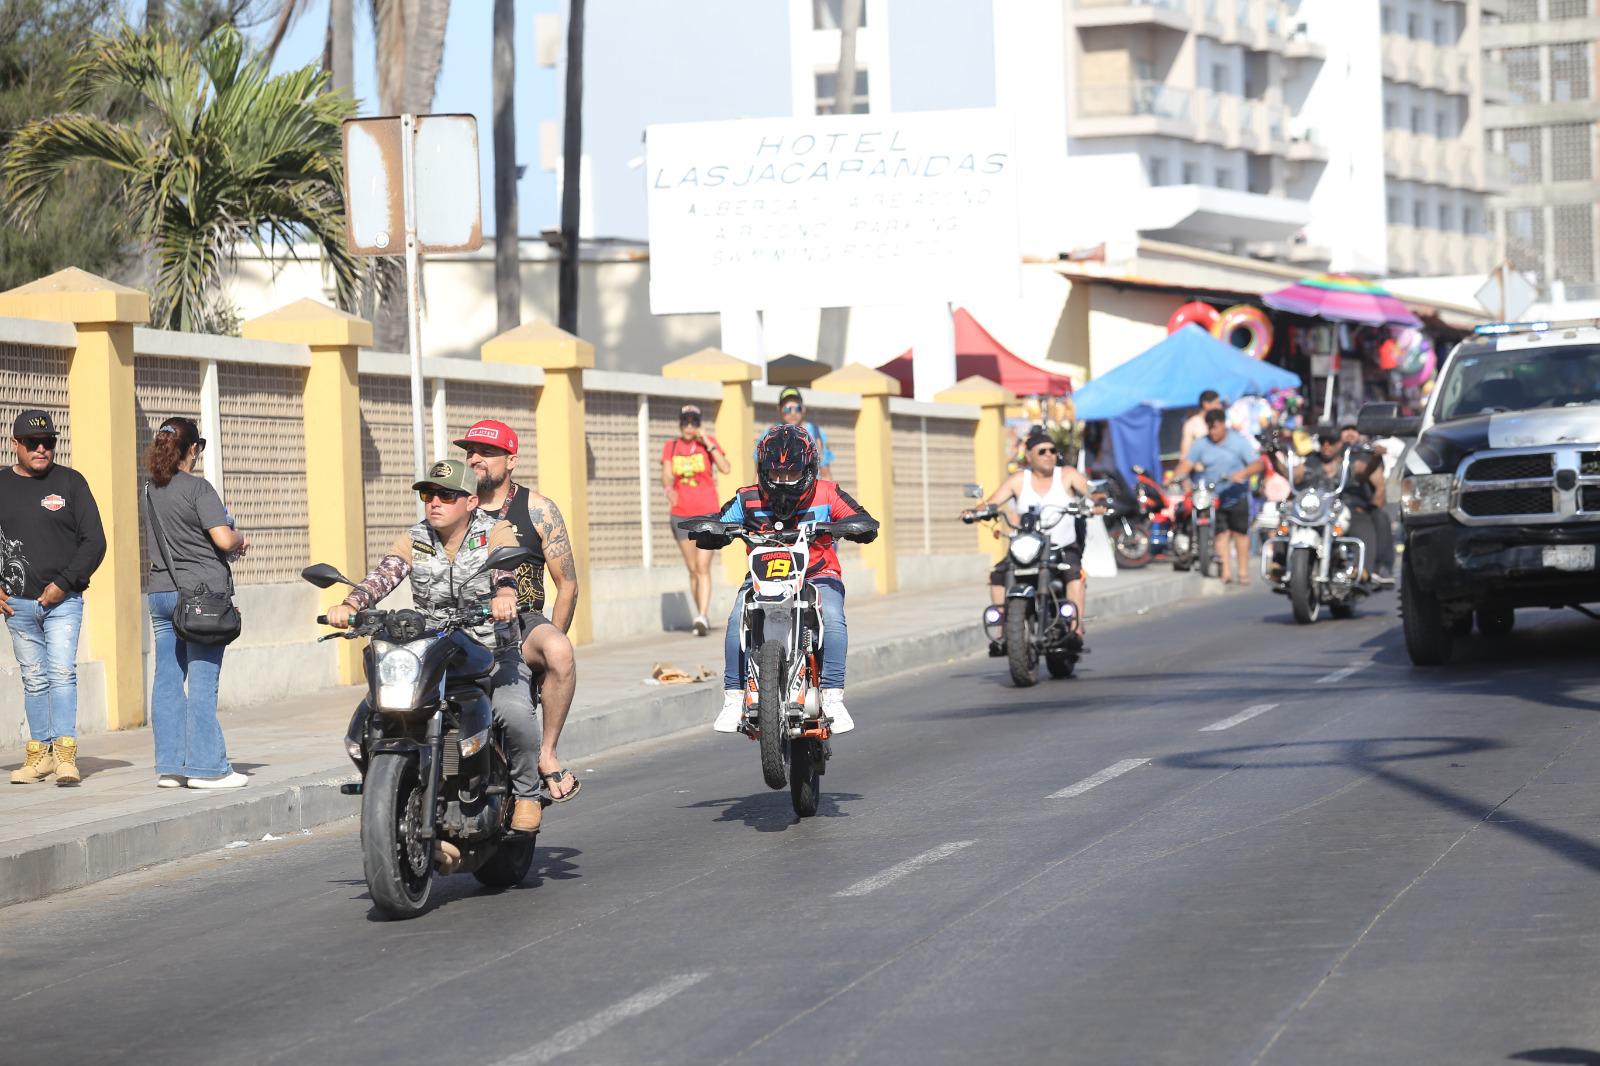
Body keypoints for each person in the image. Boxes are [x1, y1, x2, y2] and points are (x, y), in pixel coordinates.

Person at [326, 457, 546, 831]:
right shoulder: (415, 538)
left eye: (446, 495)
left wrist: (505, 595)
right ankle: (394, 785)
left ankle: (527, 795)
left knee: (513, 712)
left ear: (471, 502)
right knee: (377, 709)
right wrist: (352, 604)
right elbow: (384, 575)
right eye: (428, 494)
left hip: (492, 650)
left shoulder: (495, 532)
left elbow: (504, 571)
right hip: (435, 648)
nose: (435, 502)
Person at [705, 424, 877, 735]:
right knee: (735, 618)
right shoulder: (747, 499)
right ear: (763, 470)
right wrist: (711, 532)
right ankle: (733, 697)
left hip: (818, 574)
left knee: (834, 617)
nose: (784, 482)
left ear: (809, 469)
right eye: (777, 474)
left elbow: (863, 519)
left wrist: (850, 527)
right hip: (763, 577)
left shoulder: (827, 492)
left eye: (792, 473)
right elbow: (718, 522)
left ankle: (833, 695)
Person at [454, 419, 582, 807]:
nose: (475, 459)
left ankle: (547, 752)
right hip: (460, 621)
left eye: (487, 452)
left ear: (511, 460)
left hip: (521, 621)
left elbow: (568, 585)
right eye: (470, 451)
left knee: (559, 650)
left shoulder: (538, 509)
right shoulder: (453, 503)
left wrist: (547, 646)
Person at [143, 416, 250, 789]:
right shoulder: (198, 488)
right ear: (193, 449)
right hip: (202, 596)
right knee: (204, 680)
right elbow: (222, 540)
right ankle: (207, 768)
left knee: (168, 680)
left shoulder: (149, 490)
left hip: (161, 593)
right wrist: (239, 539)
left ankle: (171, 767)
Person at [1, 409, 106, 786]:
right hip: (18, 604)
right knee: (34, 679)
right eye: (32, 443)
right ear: (16, 444)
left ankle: (65, 756)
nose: (41, 449)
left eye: (48, 442)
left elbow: (95, 541)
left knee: (62, 673)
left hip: (63, 603)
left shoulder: (71, 483)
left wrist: (63, 584)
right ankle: (39, 756)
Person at [964, 429, 1093, 651]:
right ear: (1030, 456)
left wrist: (1099, 502)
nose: (1049, 455)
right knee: (997, 574)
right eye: (1042, 451)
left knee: (1073, 573)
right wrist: (975, 512)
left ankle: (1075, 629)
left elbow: (1093, 493)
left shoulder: (1067, 474)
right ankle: (1003, 632)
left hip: (1062, 546)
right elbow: (993, 502)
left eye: (1053, 450)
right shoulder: (1018, 480)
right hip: (1028, 546)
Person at [1170, 409, 1264, 585]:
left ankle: (1243, 572)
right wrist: (1173, 479)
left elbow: (1258, 464)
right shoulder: (1201, 444)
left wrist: (1241, 473)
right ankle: (1226, 572)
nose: (1213, 432)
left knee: (1240, 534)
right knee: (1221, 533)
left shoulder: (1239, 442)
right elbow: (1186, 464)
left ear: (1223, 424)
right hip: (1213, 496)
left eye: (1216, 428)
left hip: (1237, 495)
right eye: (1210, 428)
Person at [661, 404, 729, 635]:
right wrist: (668, 489)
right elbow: (667, 476)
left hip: (707, 512)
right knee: (692, 568)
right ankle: (699, 613)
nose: (689, 426)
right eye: (685, 422)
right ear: (680, 423)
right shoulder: (671, 447)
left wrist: (707, 442)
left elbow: (725, 467)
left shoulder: (707, 444)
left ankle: (702, 616)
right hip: (681, 513)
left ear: (699, 424)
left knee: (703, 565)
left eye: (694, 422)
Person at [757, 386, 834, 480]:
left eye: (797, 408)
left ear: (804, 408)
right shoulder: (769, 434)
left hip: (811, 492)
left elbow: (825, 473)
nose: (793, 413)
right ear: (779, 410)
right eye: (787, 409)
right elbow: (759, 474)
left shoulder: (816, 433)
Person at [1179, 390, 1225, 465]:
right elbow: (1184, 454)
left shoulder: (1222, 423)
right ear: (1206, 404)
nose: (1220, 407)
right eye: (1217, 403)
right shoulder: (1192, 424)